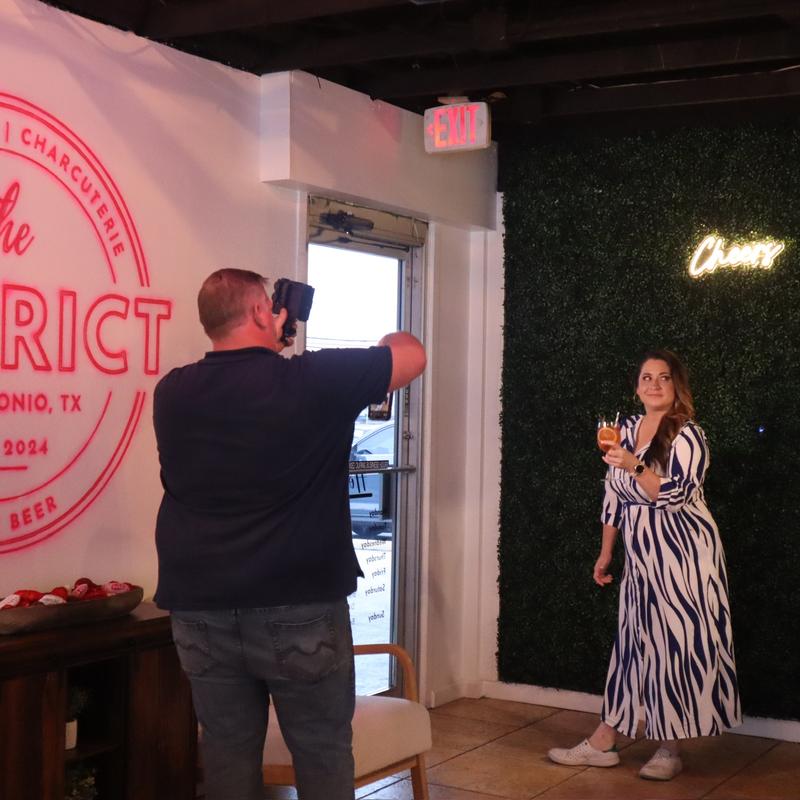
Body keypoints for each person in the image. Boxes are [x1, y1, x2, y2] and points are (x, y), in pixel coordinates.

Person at [152, 268, 426, 800]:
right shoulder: (314, 380)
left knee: (226, 750)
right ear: (262, 311)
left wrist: (268, 347)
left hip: (199, 605)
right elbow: (410, 353)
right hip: (299, 602)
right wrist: (371, 344)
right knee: (321, 750)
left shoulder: (173, 392)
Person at [547, 349, 740, 781]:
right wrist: (605, 553)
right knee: (633, 642)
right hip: (641, 555)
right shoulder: (626, 430)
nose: (654, 384)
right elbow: (613, 497)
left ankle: (670, 748)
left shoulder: (689, 435)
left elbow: (675, 495)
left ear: (677, 386)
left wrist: (634, 465)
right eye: (646, 377)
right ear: (636, 387)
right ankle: (604, 741)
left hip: (685, 555)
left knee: (676, 644)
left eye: (663, 377)